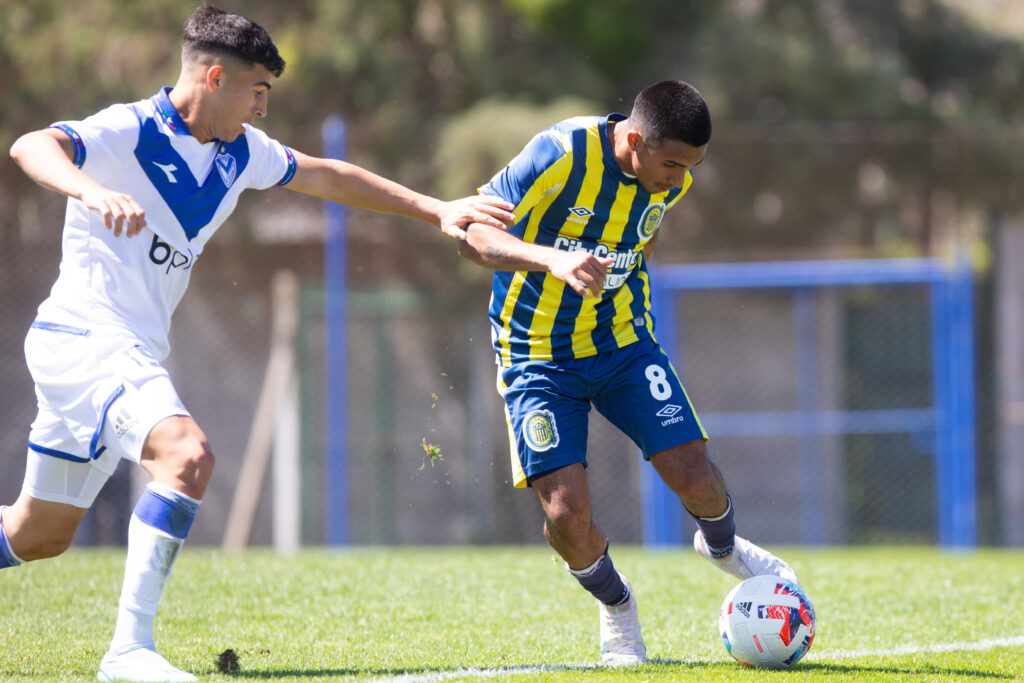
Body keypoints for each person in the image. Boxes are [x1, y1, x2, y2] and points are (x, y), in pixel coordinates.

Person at [0, 5, 514, 682]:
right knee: (187, 455)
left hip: (120, 352)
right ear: (214, 78)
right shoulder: (131, 128)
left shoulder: (240, 154)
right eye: (257, 93)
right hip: (86, 337)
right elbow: (31, 145)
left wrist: (438, 209)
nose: (263, 110)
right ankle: (127, 652)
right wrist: (90, 189)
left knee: (37, 536)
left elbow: (329, 176)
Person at [457, 80, 799, 666]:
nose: (678, 179)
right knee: (566, 515)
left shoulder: (671, 180)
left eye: (689, 168)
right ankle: (617, 607)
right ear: (634, 139)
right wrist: (552, 259)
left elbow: (639, 237)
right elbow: (472, 234)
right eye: (670, 164)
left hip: (623, 345)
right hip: (535, 354)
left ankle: (722, 549)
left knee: (696, 476)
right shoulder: (560, 153)